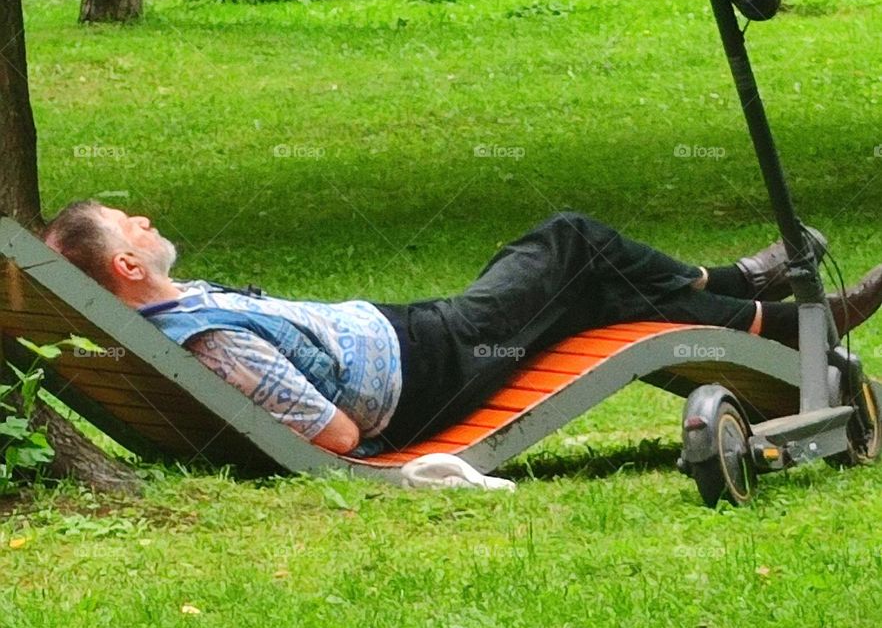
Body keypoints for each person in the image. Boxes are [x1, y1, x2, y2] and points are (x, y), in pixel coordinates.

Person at [42, 202, 882, 458]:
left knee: (593, 289)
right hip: (428, 371)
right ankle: (757, 294)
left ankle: (771, 308)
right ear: (124, 267)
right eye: (129, 222)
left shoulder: (175, 310)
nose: (146, 220)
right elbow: (332, 436)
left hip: (421, 341)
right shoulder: (209, 342)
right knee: (570, 243)